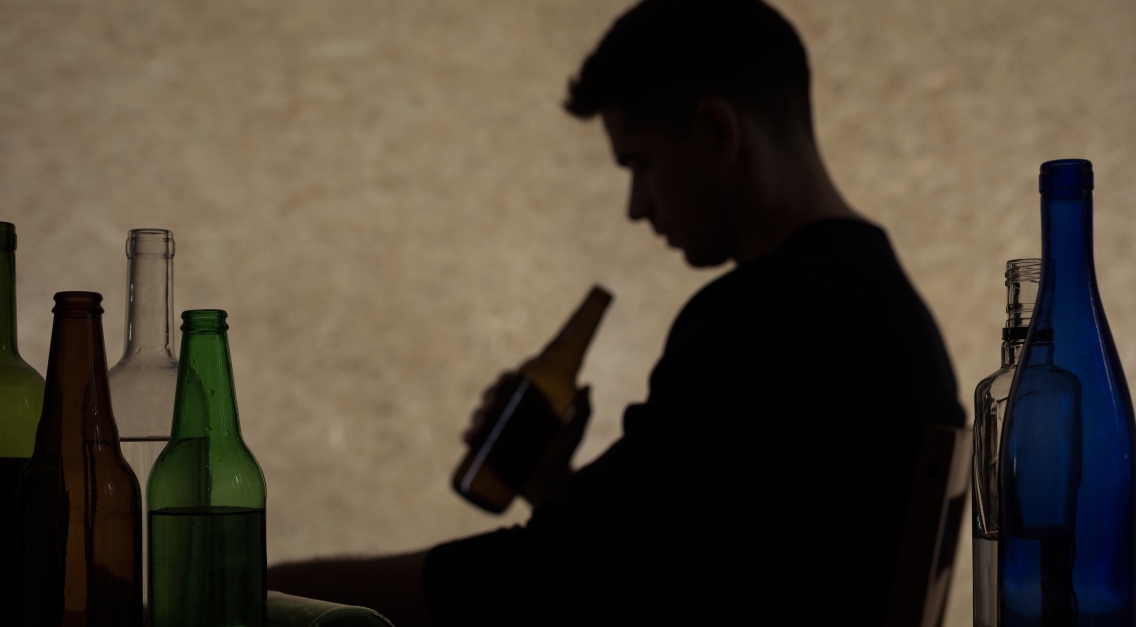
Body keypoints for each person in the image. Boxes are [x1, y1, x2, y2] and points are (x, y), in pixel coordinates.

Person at [268, 0, 965, 623]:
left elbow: (550, 587)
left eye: (638, 164)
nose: (637, 207)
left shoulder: (772, 315)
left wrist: (258, 595)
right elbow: (662, 571)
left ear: (718, 132)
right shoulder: (875, 304)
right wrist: (556, 491)